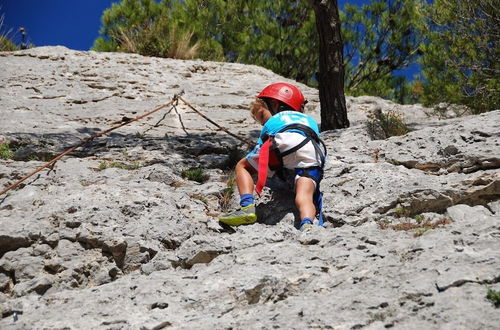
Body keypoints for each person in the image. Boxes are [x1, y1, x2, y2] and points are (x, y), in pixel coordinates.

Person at [219, 82, 326, 231]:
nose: (263, 122)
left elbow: (262, 149)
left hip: (281, 143)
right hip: (311, 152)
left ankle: (247, 206)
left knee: (243, 166)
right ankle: (307, 223)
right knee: (305, 194)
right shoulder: (310, 121)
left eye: (262, 115)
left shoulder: (276, 120)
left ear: (276, 104)